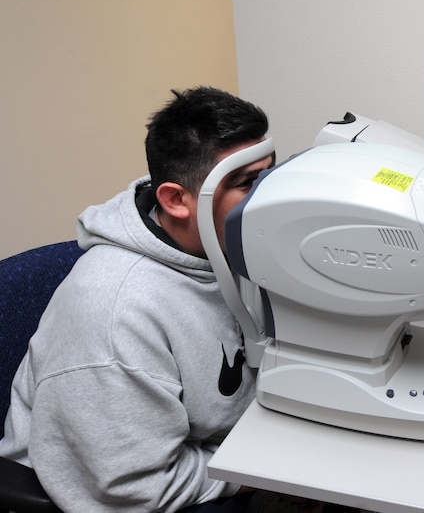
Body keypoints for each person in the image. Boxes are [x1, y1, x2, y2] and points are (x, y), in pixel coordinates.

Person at [0, 87, 276, 512]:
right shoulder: (116, 310)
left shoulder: (226, 248)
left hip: (219, 442)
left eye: (268, 177)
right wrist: (263, 477)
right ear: (177, 200)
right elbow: (134, 486)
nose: (269, 198)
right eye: (246, 183)